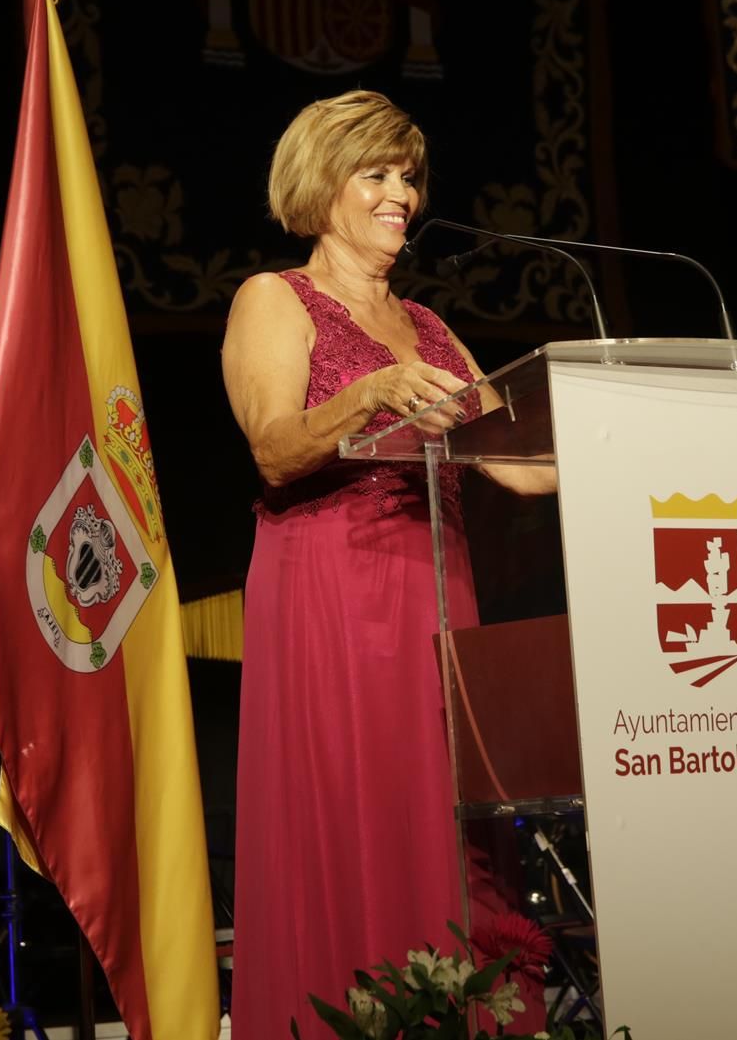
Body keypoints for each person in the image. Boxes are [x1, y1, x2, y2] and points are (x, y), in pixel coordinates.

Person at [221, 90, 553, 1038]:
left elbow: (520, 465)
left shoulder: (433, 329)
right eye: (376, 173)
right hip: (331, 589)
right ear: (322, 185)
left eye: (407, 175)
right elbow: (275, 449)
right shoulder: (274, 300)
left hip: (439, 591)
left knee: (447, 818)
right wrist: (369, 392)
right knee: (352, 809)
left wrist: (644, 448)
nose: (400, 193)